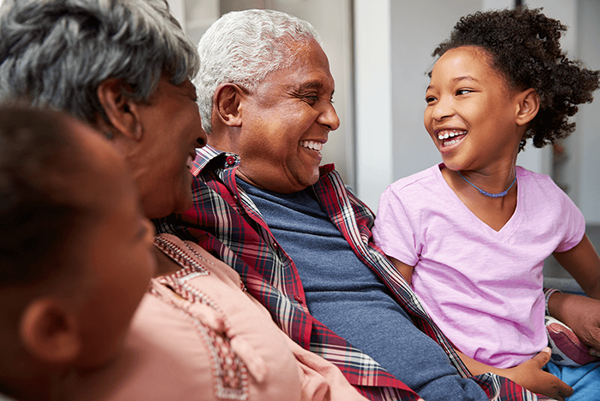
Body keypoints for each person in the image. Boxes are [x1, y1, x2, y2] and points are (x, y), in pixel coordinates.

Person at [156, 9, 551, 401]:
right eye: (311, 97)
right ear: (231, 106)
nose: (332, 118)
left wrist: (557, 302)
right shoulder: (193, 195)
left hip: (482, 384)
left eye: (330, 99)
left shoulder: (335, 198)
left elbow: (454, 280)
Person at [0, 1, 369, 400]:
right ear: (121, 107)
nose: (201, 133)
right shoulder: (62, 287)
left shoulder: (187, 253)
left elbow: (312, 379)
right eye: (187, 95)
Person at [372, 7, 600, 401]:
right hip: (458, 377)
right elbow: (394, 322)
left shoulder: (549, 202)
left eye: (462, 91)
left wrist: (572, 313)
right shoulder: (410, 201)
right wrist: (503, 377)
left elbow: (595, 281)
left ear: (523, 107)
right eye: (431, 97)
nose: (439, 110)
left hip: (544, 367)